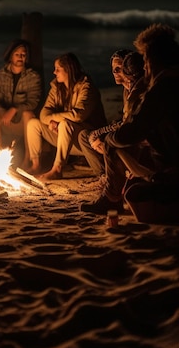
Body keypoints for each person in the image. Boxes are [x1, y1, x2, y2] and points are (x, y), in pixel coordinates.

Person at [81, 23, 179, 222]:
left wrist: (109, 138)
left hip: (171, 163)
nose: (144, 67)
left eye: (146, 60)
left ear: (154, 60)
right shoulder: (170, 81)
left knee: (114, 143)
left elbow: (133, 129)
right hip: (169, 155)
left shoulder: (162, 89)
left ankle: (111, 198)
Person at [26, 52, 107, 180]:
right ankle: (36, 165)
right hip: (63, 137)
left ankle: (57, 169)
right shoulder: (57, 87)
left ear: (68, 69)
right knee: (33, 124)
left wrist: (56, 119)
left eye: (58, 69)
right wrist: (52, 121)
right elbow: (44, 114)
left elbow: (78, 116)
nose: (54, 72)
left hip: (87, 141)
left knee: (65, 124)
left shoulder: (87, 87)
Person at [78, 50, 145, 181]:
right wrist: (98, 133)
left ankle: (113, 181)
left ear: (128, 69)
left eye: (119, 68)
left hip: (134, 138)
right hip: (126, 131)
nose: (115, 72)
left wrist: (100, 134)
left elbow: (128, 122)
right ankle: (105, 176)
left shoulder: (139, 90)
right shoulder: (126, 90)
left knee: (105, 140)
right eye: (113, 69)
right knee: (85, 136)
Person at [0, 38, 42, 166]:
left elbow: (33, 102)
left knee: (28, 114)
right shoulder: (0, 75)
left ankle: (28, 160)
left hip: (23, 125)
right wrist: (3, 111)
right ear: (10, 56)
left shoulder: (33, 76)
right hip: (5, 122)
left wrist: (14, 109)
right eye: (17, 54)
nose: (20, 57)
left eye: (23, 55)